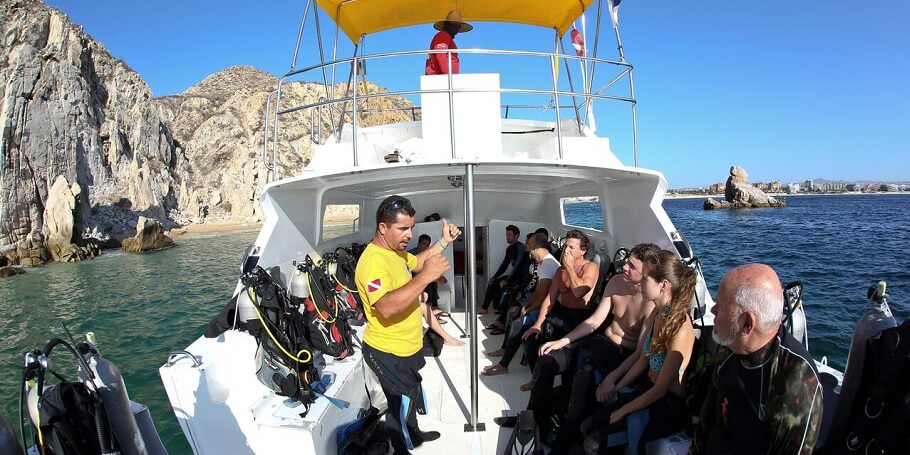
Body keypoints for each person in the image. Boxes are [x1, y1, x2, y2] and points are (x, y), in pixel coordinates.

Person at [355, 195, 461, 455]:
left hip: (409, 345)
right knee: (399, 404)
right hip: (388, 350)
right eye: (403, 228)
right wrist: (426, 278)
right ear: (383, 228)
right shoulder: (374, 262)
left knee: (411, 393)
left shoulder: (396, 252)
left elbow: (419, 260)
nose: (410, 234)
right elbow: (386, 307)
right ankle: (401, 448)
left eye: (411, 227)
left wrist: (444, 241)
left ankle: (413, 434)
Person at [525, 243, 661, 440]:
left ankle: (566, 437)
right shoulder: (616, 282)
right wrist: (562, 341)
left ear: (647, 274)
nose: (624, 267)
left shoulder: (650, 302)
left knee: (582, 377)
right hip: (599, 342)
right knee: (547, 360)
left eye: (632, 266)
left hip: (621, 355)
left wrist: (612, 378)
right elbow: (595, 321)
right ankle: (532, 418)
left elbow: (640, 354)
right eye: (627, 262)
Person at [573, 249, 697, 455]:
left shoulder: (680, 328)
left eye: (646, 278)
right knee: (586, 426)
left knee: (592, 445)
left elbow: (661, 390)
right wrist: (615, 384)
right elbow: (642, 360)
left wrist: (623, 410)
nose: (641, 282)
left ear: (663, 285)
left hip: (666, 405)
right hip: (647, 390)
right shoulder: (658, 315)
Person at [689, 264, 823, 455]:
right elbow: (709, 415)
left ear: (746, 324)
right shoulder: (729, 347)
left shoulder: (794, 379)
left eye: (720, 306)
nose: (713, 310)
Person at [520, 229, 600, 386]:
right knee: (530, 340)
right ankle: (536, 378)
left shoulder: (590, 267)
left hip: (578, 319)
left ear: (583, 251)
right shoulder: (559, 270)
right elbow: (549, 300)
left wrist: (569, 267)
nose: (566, 250)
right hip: (560, 314)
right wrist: (537, 325)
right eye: (565, 246)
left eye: (572, 247)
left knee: (561, 361)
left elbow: (579, 292)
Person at [482, 233, 560, 375]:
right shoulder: (543, 263)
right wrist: (527, 304)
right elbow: (537, 291)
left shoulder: (548, 265)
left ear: (537, 247)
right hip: (542, 304)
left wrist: (529, 309)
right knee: (514, 314)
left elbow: (543, 297)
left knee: (519, 324)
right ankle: (504, 357)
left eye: (528, 246)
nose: (526, 249)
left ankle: (508, 365)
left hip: (552, 309)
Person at [479, 225, 526, 315]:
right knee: (492, 283)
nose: (507, 237)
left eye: (510, 235)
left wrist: (507, 280)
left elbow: (517, 266)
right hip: (514, 276)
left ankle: (502, 310)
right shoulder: (509, 249)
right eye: (506, 235)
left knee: (503, 285)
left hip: (521, 277)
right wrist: (494, 277)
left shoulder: (520, 248)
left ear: (516, 236)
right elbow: (504, 265)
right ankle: (485, 308)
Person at [425, 10, 472, 75]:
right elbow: (440, 56)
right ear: (448, 25)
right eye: (455, 24)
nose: (458, 28)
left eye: (459, 25)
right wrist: (448, 76)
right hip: (441, 78)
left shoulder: (445, 37)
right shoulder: (443, 35)